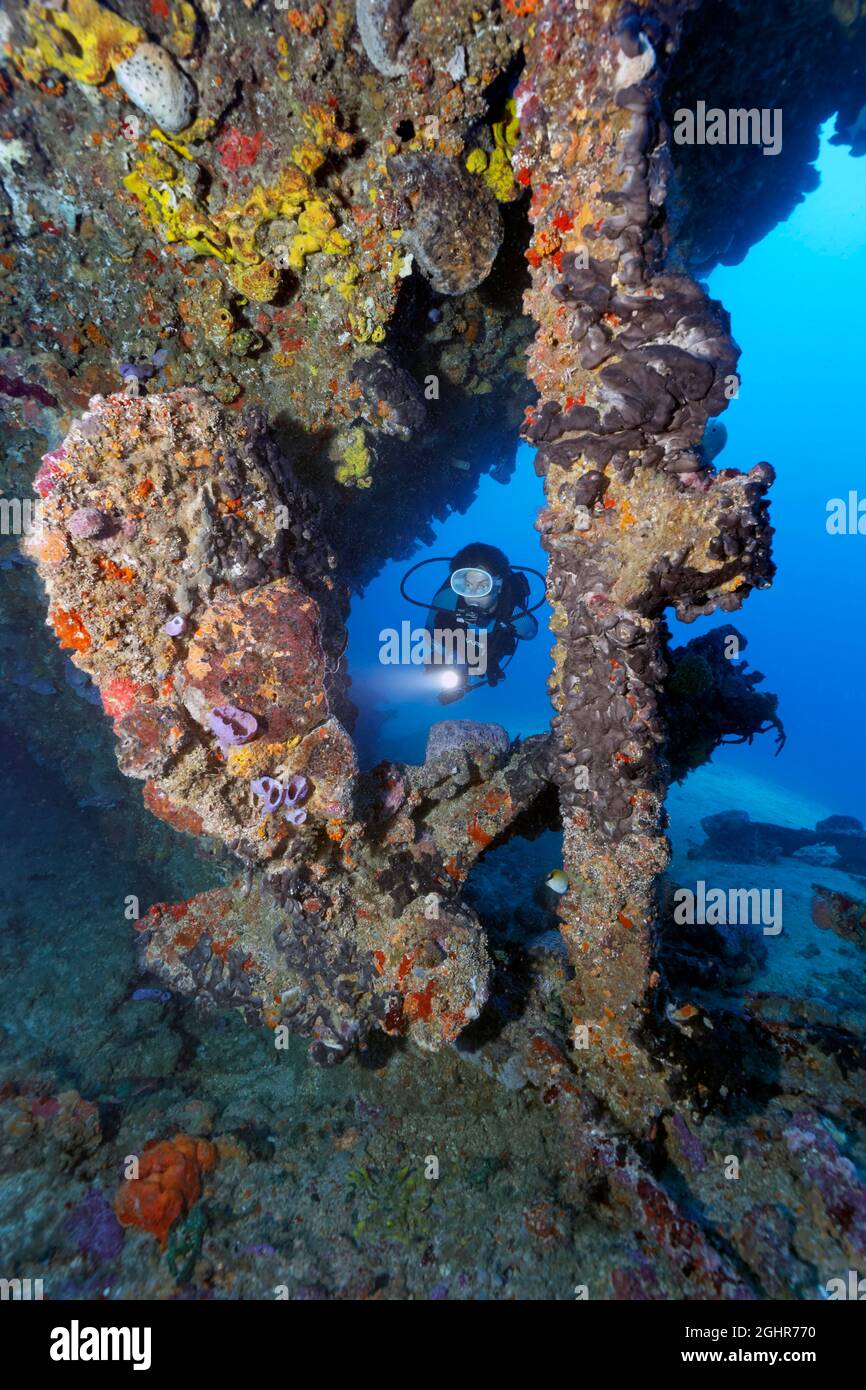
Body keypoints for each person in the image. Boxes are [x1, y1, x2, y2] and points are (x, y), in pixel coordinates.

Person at [400, 542, 543, 703]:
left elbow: (530, 632)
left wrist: (498, 620)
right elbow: (430, 633)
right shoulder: (445, 600)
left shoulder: (512, 613)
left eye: (483, 585)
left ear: (499, 584)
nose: (472, 594)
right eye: (466, 585)